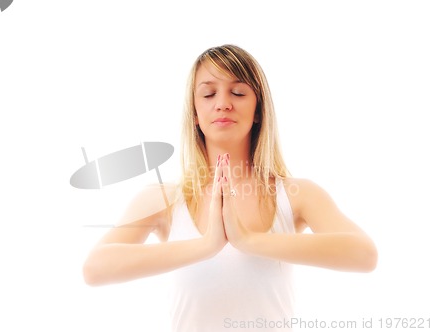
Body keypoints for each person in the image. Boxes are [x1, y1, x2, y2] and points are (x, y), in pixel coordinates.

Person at [82, 44, 378, 331]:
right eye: (209, 94)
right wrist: (207, 245)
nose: (223, 103)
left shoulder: (297, 195)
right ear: (195, 115)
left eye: (238, 92)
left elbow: (364, 255)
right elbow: (95, 269)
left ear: (258, 110)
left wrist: (248, 239)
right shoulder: (163, 199)